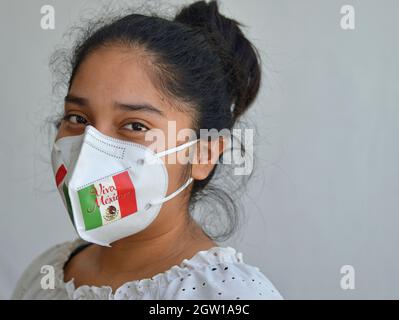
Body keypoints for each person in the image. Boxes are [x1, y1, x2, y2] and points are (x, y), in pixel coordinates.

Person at [12, 0, 283, 300]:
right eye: (77, 118)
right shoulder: (45, 275)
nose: (90, 148)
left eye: (135, 125)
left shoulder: (228, 296)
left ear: (203, 154)